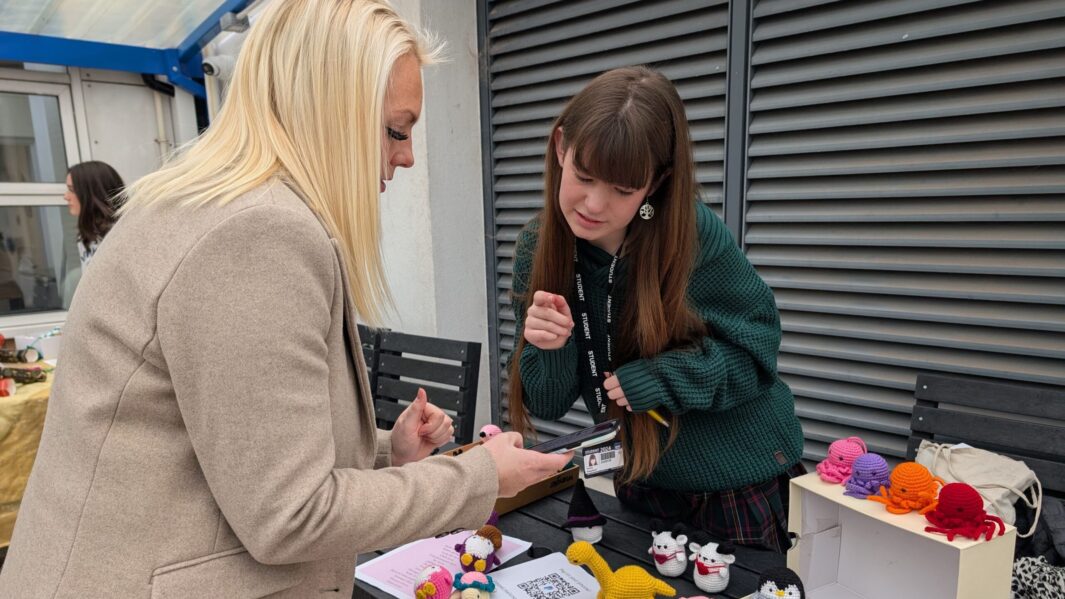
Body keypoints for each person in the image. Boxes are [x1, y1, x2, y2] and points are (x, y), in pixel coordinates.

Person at [0, 1, 570, 596]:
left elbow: (241, 441)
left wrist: (384, 452)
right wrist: (476, 476)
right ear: (329, 112)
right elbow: (289, 513)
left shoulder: (208, 206)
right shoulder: (257, 235)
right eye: (396, 129)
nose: (406, 156)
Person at [508, 67, 805, 553]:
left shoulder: (692, 236)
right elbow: (544, 403)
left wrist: (660, 379)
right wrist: (549, 346)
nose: (594, 204)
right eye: (583, 176)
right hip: (643, 482)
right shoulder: (538, 247)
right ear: (561, 146)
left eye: (624, 190)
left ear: (656, 182)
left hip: (737, 483)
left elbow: (756, 353)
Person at [63, 160, 124, 268]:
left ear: (92, 192)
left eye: (72, 190)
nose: (66, 197)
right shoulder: (87, 235)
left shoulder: (122, 233)